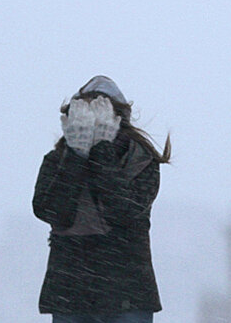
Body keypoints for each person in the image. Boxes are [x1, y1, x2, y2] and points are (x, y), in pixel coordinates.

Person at [32, 76, 171, 323]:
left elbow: (122, 212)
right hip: (70, 294)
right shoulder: (57, 160)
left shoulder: (142, 161)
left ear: (118, 119)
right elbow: (53, 212)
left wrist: (101, 149)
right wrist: (76, 153)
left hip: (127, 294)